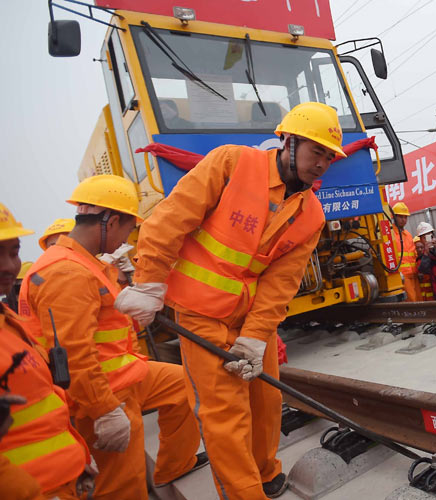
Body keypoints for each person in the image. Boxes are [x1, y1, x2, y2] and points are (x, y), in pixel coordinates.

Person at [115, 102, 346, 499]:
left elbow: (281, 283)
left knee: (266, 398)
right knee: (225, 415)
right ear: (287, 141)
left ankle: (265, 469)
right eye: (316, 151)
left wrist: (256, 336)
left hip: (250, 318)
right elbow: (170, 220)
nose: (322, 163)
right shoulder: (232, 164)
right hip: (200, 314)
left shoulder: (311, 214)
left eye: (328, 156)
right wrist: (150, 282)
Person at [18, 177, 206, 499]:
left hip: (122, 374)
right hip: (101, 391)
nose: (124, 241)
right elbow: (74, 356)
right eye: (128, 230)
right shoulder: (66, 273)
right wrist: (104, 410)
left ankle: (174, 466)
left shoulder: (83, 263)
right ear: (112, 221)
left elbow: (103, 327)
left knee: (186, 382)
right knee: (123, 487)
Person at [0, 202, 94, 500]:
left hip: (62, 477)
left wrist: (76, 454)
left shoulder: (7, 319)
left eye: (13, 252)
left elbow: (44, 397)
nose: (7, 266)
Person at [390, 202, 421, 302]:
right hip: (403, 277)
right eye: (401, 217)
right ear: (394, 217)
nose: (404, 220)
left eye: (405, 217)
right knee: (411, 302)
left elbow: (413, 254)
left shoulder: (407, 234)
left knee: (419, 301)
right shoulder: (391, 234)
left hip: (414, 274)